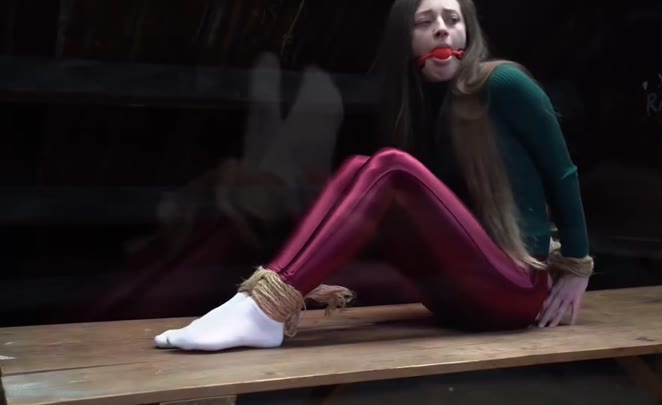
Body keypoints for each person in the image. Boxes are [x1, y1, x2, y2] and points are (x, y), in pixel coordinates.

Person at [154, 0, 593, 352]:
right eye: (426, 20)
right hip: (457, 300)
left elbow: (563, 171)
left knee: (389, 166)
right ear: (406, 39)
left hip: (513, 291)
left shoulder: (503, 84)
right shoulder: (423, 111)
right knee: (358, 167)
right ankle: (258, 300)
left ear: (468, 32)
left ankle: (264, 307)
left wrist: (577, 265)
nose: (442, 29)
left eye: (453, 19)